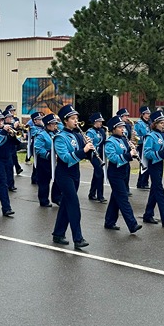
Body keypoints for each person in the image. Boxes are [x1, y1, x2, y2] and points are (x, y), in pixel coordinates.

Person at [52, 105, 92, 248]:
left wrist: (90, 148)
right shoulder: (60, 137)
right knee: (74, 204)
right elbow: (65, 157)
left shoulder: (77, 135)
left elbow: (85, 154)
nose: (76, 121)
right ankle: (78, 238)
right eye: (73, 119)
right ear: (65, 121)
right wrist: (84, 150)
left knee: (66, 204)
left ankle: (58, 233)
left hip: (75, 172)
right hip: (64, 173)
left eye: (77, 118)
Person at [103, 115, 143, 233]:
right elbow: (114, 158)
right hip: (115, 172)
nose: (123, 129)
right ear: (114, 129)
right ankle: (132, 224)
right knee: (123, 197)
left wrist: (133, 153)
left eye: (123, 127)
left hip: (124, 170)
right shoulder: (110, 142)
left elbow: (127, 155)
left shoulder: (123, 139)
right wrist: (129, 155)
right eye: (120, 127)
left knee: (116, 197)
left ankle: (109, 222)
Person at [141, 110, 164, 228]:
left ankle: (148, 214)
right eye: (161, 123)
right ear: (155, 123)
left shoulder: (163, 134)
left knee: (154, 190)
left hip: (160, 164)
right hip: (153, 164)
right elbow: (147, 153)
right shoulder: (150, 136)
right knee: (159, 190)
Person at [34, 113, 60, 208]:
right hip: (45, 161)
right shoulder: (41, 135)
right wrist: (49, 155)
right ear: (48, 124)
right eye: (53, 124)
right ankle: (43, 200)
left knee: (57, 179)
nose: (55, 126)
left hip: (56, 160)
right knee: (44, 181)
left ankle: (57, 198)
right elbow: (38, 148)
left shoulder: (57, 133)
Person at [86, 112, 107, 202]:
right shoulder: (90, 132)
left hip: (101, 154)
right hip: (93, 155)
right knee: (100, 173)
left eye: (101, 121)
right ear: (94, 122)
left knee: (97, 174)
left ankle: (92, 193)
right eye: (99, 121)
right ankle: (100, 195)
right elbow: (89, 143)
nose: (101, 123)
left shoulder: (102, 130)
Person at [134, 106, 152, 189]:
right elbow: (136, 136)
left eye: (149, 113)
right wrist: (144, 138)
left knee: (148, 164)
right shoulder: (139, 123)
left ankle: (145, 182)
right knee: (143, 164)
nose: (148, 115)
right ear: (143, 114)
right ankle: (141, 182)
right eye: (147, 113)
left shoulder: (149, 123)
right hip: (141, 145)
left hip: (148, 145)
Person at [27, 111, 44, 185]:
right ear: (35, 121)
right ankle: (34, 178)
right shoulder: (33, 127)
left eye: (41, 119)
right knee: (37, 162)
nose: (41, 121)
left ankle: (36, 177)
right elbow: (36, 134)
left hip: (42, 146)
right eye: (39, 119)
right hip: (35, 146)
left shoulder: (43, 127)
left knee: (40, 163)